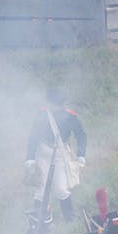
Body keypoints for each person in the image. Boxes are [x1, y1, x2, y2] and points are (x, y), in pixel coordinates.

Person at [24, 88, 87, 221]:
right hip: (44, 152)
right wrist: (30, 158)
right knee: (41, 188)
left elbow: (81, 135)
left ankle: (69, 219)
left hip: (60, 154)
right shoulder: (42, 115)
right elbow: (33, 137)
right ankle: (38, 218)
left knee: (61, 188)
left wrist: (81, 155)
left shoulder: (70, 116)